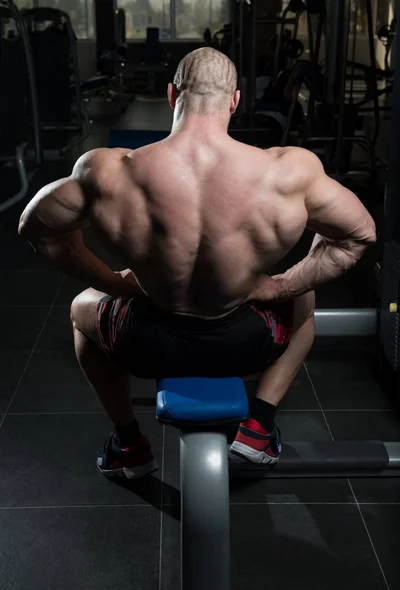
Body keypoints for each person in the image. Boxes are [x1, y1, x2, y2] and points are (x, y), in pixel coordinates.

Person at [18, 48, 376, 479]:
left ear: (172, 95)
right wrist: (276, 287)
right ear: (235, 101)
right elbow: (359, 235)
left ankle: (130, 445)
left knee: (80, 310)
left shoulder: (109, 171)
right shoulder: (288, 172)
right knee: (303, 298)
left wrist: (115, 283)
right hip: (246, 340)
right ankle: (259, 428)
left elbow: (36, 229)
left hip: (146, 341)